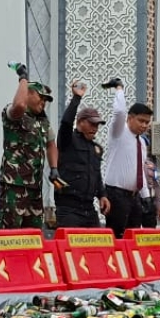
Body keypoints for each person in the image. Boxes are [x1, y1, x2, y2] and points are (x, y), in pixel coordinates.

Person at [0, 62, 59, 230]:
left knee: (32, 234)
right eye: (41, 97)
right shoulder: (14, 114)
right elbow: (19, 105)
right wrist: (23, 78)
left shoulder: (42, 121)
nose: (44, 102)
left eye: (46, 100)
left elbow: (51, 143)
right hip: (15, 184)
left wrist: (54, 167)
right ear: (28, 94)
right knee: (9, 232)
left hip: (35, 186)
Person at [100, 77, 154, 237]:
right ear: (130, 118)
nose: (144, 125)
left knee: (134, 237)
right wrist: (119, 88)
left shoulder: (142, 143)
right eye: (141, 121)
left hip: (134, 196)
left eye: (147, 122)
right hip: (116, 194)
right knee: (116, 237)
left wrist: (146, 197)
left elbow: (140, 171)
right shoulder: (119, 132)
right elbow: (119, 111)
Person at [55, 81, 109, 228]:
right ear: (80, 122)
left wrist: (102, 195)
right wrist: (76, 99)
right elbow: (66, 123)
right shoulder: (68, 141)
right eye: (91, 124)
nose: (95, 128)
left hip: (89, 209)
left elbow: (96, 175)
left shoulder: (96, 148)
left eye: (97, 125)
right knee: (70, 249)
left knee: (96, 248)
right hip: (68, 208)